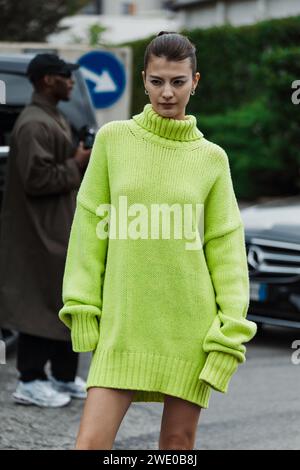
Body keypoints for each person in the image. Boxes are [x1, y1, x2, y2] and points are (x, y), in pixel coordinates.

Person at [58, 32, 258, 448]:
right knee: (90, 443)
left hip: (190, 329)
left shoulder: (211, 159)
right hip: (124, 324)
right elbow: (89, 228)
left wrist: (230, 333)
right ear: (145, 80)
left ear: (195, 81)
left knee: (177, 446)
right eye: (157, 81)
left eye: (178, 82)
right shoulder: (113, 140)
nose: (167, 93)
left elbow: (225, 248)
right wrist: (82, 308)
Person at [0, 54, 91, 407]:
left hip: (57, 226)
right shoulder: (34, 123)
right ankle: (31, 380)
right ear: (45, 80)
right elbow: (38, 179)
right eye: (64, 76)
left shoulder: (53, 117)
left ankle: (63, 377)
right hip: (39, 233)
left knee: (65, 301)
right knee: (39, 305)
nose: (71, 82)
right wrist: (77, 163)